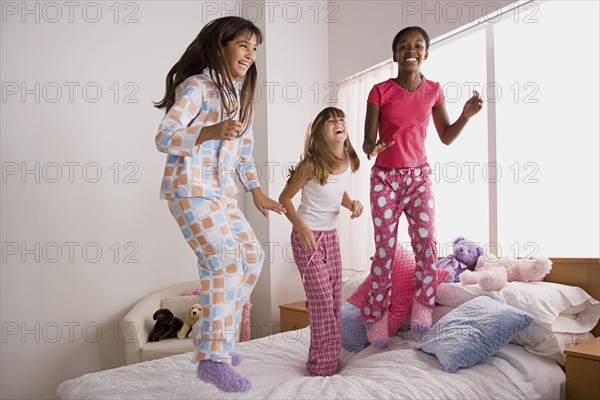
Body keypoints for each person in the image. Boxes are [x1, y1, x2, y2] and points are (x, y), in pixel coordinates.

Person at [154, 16, 286, 393]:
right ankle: (214, 357)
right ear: (220, 45)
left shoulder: (242, 97)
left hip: (221, 192)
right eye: (243, 45)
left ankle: (212, 337)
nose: (250, 54)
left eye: (254, 48)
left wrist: (257, 191)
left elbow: (244, 155)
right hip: (189, 189)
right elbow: (164, 136)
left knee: (252, 257)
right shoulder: (197, 86)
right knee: (225, 262)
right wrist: (208, 131)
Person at [361, 26, 483, 347]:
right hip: (385, 179)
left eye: (417, 46)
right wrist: (372, 149)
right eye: (403, 46)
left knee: (426, 244)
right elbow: (366, 142)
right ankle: (377, 317)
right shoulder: (380, 91)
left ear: (426, 53)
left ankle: (422, 306)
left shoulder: (434, 90)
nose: (410, 50)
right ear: (395, 55)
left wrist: (465, 116)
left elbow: (446, 136)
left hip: (418, 179)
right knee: (385, 252)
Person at [279, 107, 363, 376]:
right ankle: (322, 369)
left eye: (341, 119)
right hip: (307, 238)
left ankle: (326, 362)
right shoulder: (310, 165)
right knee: (323, 305)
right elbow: (284, 198)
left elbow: (337, 189)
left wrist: (351, 203)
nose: (338, 123)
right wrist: (301, 228)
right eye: (330, 122)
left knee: (335, 303)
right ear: (320, 133)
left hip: (331, 236)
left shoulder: (349, 157)